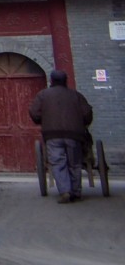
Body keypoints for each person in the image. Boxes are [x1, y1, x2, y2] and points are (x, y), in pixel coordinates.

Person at [30, 69, 96, 203]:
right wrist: (82, 124)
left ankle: (65, 191)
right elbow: (87, 113)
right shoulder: (76, 95)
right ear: (66, 81)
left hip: (52, 134)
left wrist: (41, 120)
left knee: (58, 162)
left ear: (51, 81)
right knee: (75, 163)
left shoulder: (43, 95)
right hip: (74, 135)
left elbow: (34, 112)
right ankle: (76, 192)